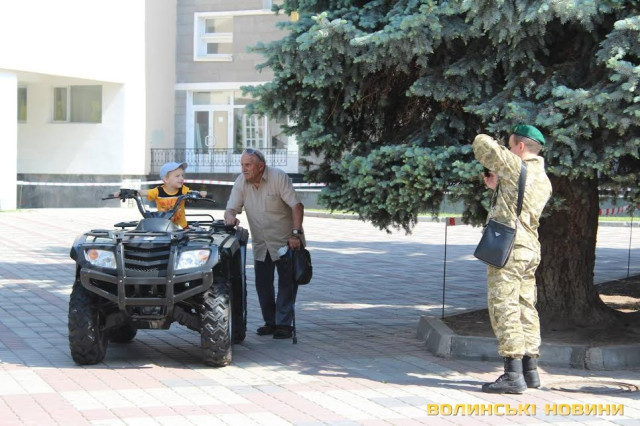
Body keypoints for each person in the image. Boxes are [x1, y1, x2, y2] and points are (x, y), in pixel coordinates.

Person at [472, 124, 552, 394]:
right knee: (525, 306)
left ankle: (512, 374)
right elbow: (519, 201)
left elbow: (481, 144)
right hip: (529, 249)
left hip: (510, 249)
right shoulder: (543, 178)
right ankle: (530, 371)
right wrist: (497, 186)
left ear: (520, 146)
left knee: (504, 305)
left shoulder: (517, 166)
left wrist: (489, 137)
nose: (508, 150)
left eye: (509, 145)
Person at [224, 148, 305, 339]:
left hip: (286, 241)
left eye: (248, 165)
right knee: (263, 284)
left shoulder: (278, 177)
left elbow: (297, 206)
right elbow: (230, 209)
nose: (243, 169)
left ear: (260, 166)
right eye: (242, 165)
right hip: (261, 243)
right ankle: (271, 322)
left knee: (287, 283)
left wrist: (296, 234)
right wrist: (230, 217)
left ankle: (283, 324)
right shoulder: (241, 181)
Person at [133, 162, 207, 228]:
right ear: (166, 179)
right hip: (163, 226)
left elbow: (191, 193)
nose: (181, 178)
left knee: (187, 237)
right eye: (177, 176)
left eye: (182, 175)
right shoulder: (158, 191)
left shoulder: (183, 190)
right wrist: (132, 192)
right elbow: (145, 192)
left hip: (181, 227)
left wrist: (199, 193)